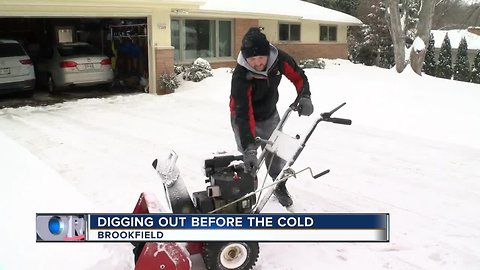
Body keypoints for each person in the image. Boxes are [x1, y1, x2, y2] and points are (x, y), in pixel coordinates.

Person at [230, 27, 314, 207]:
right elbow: (243, 113)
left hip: (269, 114)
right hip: (242, 115)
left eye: (261, 57)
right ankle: (247, 194)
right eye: (252, 59)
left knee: (275, 155)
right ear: (246, 58)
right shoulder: (240, 75)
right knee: (248, 159)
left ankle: (279, 185)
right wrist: (250, 147)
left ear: (268, 53)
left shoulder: (279, 60)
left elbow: (299, 76)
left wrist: (305, 96)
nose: (258, 63)